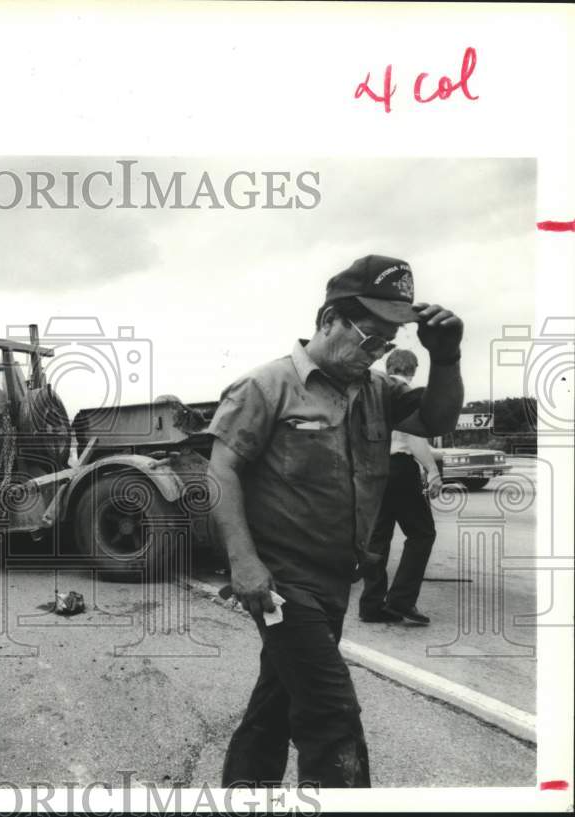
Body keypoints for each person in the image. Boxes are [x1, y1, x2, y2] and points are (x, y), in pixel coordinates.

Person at [207, 254, 463, 788]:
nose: (379, 350)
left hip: (335, 579)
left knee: (276, 702)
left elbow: (437, 420)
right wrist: (244, 564)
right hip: (280, 585)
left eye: (390, 341)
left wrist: (447, 359)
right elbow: (221, 472)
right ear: (329, 320)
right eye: (371, 337)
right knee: (332, 711)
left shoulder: (376, 391)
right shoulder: (267, 386)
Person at [359, 349, 442, 625]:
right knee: (422, 533)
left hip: (374, 468)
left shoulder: (374, 393)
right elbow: (415, 437)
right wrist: (432, 470)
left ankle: (371, 605)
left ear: (389, 365)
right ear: (413, 369)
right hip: (400, 469)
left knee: (378, 538)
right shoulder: (406, 394)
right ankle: (401, 602)